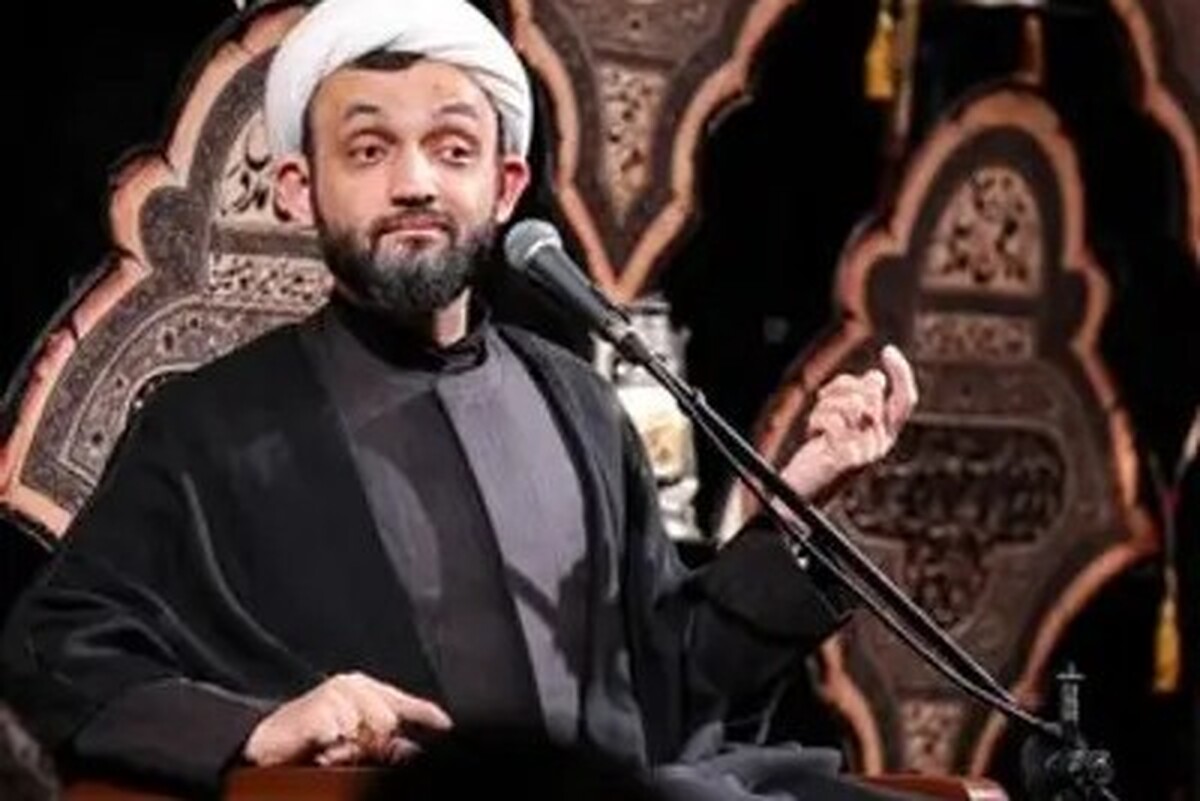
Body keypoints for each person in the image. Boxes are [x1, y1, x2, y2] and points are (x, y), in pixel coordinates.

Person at [2, 0, 919, 797]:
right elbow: (54, 649)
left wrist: (791, 512)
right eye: (369, 150)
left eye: (453, 149)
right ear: (298, 190)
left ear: (504, 187)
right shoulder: (211, 428)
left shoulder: (576, 404)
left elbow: (666, 688)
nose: (415, 183)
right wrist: (261, 727)